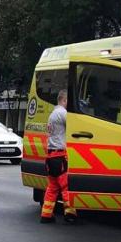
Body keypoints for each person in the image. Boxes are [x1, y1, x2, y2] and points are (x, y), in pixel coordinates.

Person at [41, 89, 77, 224]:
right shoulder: (62, 113)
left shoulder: (52, 114)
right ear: (65, 100)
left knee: (52, 187)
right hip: (59, 155)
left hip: (50, 156)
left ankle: (46, 215)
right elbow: (74, 127)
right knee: (66, 187)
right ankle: (70, 214)